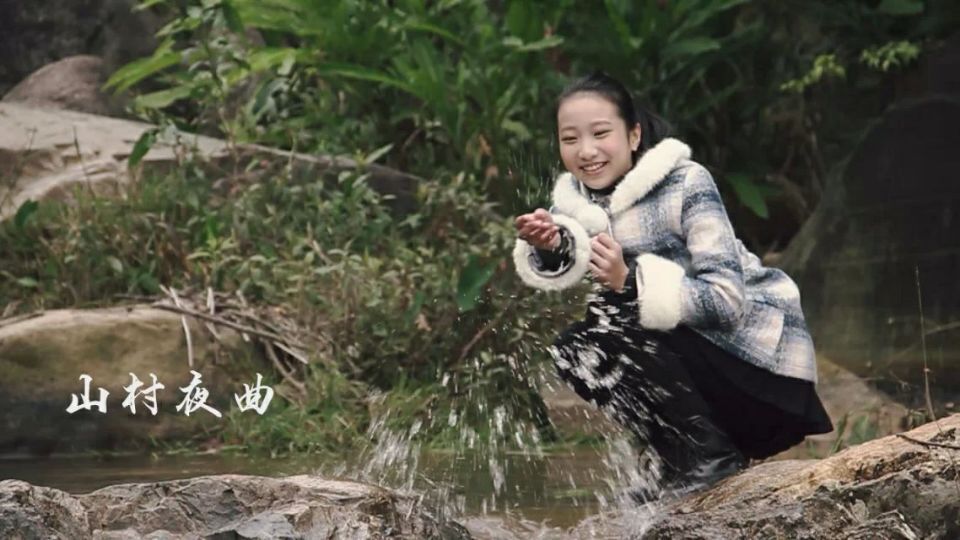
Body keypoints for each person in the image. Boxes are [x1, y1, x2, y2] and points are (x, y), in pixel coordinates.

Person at [513, 72, 832, 497]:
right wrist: (550, 245)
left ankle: (708, 457)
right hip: (698, 379)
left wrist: (630, 283)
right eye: (570, 139)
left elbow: (726, 301)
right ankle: (678, 456)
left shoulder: (685, 182)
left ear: (633, 135)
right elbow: (570, 257)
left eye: (601, 133)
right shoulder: (576, 204)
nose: (585, 151)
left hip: (758, 366)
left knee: (619, 318)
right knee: (575, 349)